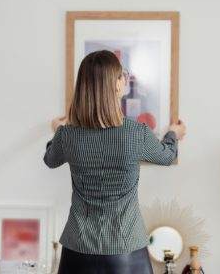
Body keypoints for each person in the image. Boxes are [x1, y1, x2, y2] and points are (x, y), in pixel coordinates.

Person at [43, 50, 186, 274]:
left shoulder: (67, 135)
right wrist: (173, 134)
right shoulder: (136, 133)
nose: (125, 78)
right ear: (116, 85)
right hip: (127, 249)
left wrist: (57, 130)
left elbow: (50, 160)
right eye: (122, 75)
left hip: (78, 248)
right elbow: (167, 156)